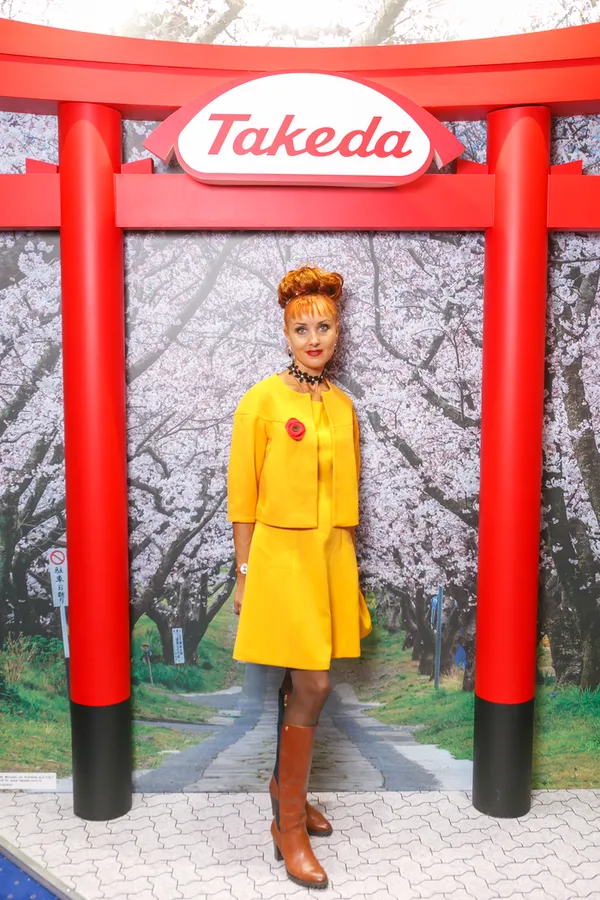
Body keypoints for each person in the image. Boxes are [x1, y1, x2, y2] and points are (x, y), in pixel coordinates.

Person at [227, 265, 372, 890]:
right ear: (285, 334)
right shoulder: (261, 401)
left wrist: (348, 569)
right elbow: (242, 496)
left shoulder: (342, 405)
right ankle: (287, 826)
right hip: (281, 560)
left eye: (324, 327)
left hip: (331, 555)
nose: (314, 339)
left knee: (304, 684)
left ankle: (286, 793)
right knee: (313, 684)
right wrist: (244, 571)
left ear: (338, 331)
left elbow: (345, 497)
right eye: (301, 328)